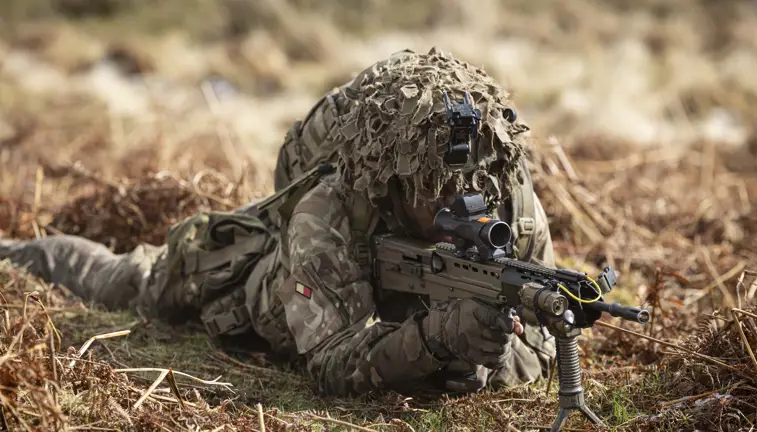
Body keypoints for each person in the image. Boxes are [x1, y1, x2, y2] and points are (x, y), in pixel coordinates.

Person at [0, 48, 556, 396]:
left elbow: (549, 336)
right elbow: (332, 364)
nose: (458, 203)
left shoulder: (508, 199)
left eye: (470, 185)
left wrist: (493, 359)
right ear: (388, 182)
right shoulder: (331, 210)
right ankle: (17, 251)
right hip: (257, 287)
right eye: (431, 189)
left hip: (376, 312)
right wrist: (435, 338)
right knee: (133, 281)